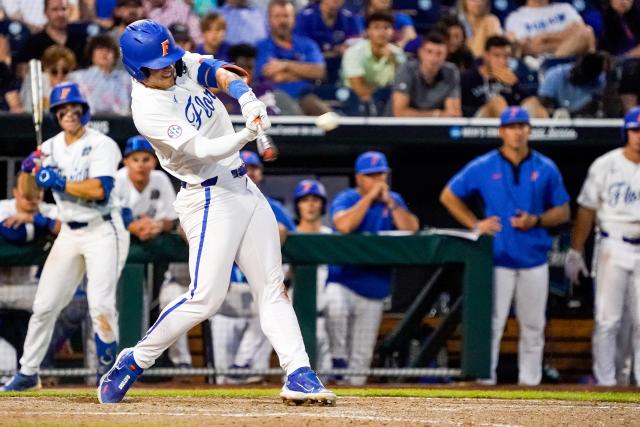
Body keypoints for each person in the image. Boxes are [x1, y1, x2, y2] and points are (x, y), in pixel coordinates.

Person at [99, 19, 335, 405]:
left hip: (243, 186)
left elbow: (214, 71)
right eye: (159, 68)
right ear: (137, 71)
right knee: (205, 298)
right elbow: (204, 151)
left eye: (171, 61)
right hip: (207, 197)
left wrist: (245, 97)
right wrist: (246, 133)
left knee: (272, 287)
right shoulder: (147, 109)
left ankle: (299, 372)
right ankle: (135, 359)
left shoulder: (171, 61)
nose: (170, 69)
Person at [1, 81, 130, 391]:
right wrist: (30, 168)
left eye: (74, 109)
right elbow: (29, 182)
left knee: (100, 304)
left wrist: (57, 181)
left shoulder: (102, 144)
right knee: (45, 304)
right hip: (69, 233)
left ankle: (107, 373)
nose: (68, 114)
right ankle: (29, 372)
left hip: (103, 229)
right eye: (62, 110)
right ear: (56, 115)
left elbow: (100, 190)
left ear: (84, 112)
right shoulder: (50, 147)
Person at [440, 106, 570, 385]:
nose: (517, 131)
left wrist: (537, 219)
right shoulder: (484, 165)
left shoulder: (545, 167)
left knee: (534, 326)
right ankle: (486, 381)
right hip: (496, 257)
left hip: (534, 256)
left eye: (522, 125)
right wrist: (475, 223)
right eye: (511, 126)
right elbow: (449, 195)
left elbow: (563, 211)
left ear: (529, 130)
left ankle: (530, 383)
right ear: (501, 131)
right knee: (493, 323)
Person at [326, 151, 419, 385]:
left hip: (375, 285)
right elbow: (344, 225)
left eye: (381, 174)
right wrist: (368, 199)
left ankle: (353, 403)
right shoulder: (347, 198)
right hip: (344, 280)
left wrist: (391, 203)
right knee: (334, 307)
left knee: (361, 359)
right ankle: (337, 359)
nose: (378, 180)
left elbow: (411, 229)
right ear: (359, 178)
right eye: (371, 175)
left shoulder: (393, 199)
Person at [564, 106, 640, 386]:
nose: (639, 136)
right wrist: (575, 249)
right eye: (635, 130)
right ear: (626, 132)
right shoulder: (605, 164)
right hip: (613, 244)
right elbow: (586, 209)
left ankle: (635, 382)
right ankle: (606, 382)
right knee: (608, 320)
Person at [209, 150, 295, 384]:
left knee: (251, 372)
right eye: (245, 166)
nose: (250, 171)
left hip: (254, 288)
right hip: (226, 292)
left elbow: (292, 236)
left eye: (255, 167)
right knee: (222, 374)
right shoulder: (215, 200)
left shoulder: (271, 207)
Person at [114, 136, 192, 370]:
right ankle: (103, 366)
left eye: (146, 159)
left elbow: (171, 218)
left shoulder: (159, 180)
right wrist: (135, 226)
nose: (140, 164)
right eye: (134, 159)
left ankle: (146, 363)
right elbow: (116, 216)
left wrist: (156, 226)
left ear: (154, 162)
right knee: (113, 308)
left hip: (153, 258)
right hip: (116, 252)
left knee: (151, 305)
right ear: (125, 162)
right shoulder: (117, 181)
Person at [0, 172, 60, 370]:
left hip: (28, 289)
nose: (33, 202)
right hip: (2, 285)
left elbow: (66, 228)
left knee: (59, 306)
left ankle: (43, 369)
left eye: (37, 196)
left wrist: (32, 218)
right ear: (15, 193)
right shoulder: (3, 207)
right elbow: (13, 233)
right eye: (27, 197)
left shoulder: (48, 209)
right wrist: (40, 226)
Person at [255, 0, 332, 116]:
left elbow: (320, 72)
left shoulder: (308, 44)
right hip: (273, 100)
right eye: (277, 16)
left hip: (307, 96)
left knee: (323, 112)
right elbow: (273, 75)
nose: (282, 21)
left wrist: (285, 65)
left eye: (286, 16)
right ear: (269, 20)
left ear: (294, 19)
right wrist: (303, 72)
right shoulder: (260, 47)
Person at [293, 179, 333, 372]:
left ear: (322, 204)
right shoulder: (289, 237)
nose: (310, 205)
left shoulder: (331, 236)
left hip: (328, 319)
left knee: (331, 373)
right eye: (305, 199)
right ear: (297, 205)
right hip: (296, 318)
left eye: (315, 200)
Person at [340, 12, 406, 115]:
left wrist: (393, 60)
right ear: (368, 31)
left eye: (386, 28)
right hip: (353, 98)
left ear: (392, 32)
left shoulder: (397, 54)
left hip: (386, 99)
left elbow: (403, 84)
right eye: (377, 27)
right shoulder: (354, 52)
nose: (382, 32)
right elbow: (359, 88)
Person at [460, 35, 543, 117]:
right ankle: (510, 127)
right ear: (486, 56)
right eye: (497, 56)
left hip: (510, 117)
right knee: (497, 101)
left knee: (534, 102)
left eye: (506, 56)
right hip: (477, 122)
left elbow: (525, 100)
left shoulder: (513, 76)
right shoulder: (468, 77)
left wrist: (515, 84)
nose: (502, 61)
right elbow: (460, 106)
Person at [391, 32, 462, 117]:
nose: (434, 58)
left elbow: (453, 114)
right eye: (429, 52)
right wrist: (436, 115)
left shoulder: (451, 71)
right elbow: (399, 112)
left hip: (436, 128)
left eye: (439, 53)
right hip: (401, 128)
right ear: (421, 52)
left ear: (446, 55)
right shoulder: (406, 69)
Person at [14, 0, 90, 78]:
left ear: (70, 11)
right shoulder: (33, 43)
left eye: (64, 9)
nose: (60, 14)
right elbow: (21, 69)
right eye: (55, 9)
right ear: (45, 13)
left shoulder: (81, 40)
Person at [294, 0, 362, 84]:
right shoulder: (304, 18)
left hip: (341, 71)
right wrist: (334, 52)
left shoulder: (349, 18)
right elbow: (301, 53)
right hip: (311, 73)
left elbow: (356, 49)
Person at [504, 0, 595, 59]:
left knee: (587, 32)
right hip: (538, 67)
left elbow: (583, 36)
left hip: (575, 64)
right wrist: (566, 38)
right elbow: (529, 48)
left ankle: (553, 63)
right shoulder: (515, 18)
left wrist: (544, 37)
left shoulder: (565, 8)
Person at [69, 34, 132, 115]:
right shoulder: (77, 77)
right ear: (91, 53)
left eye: (109, 49)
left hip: (120, 124)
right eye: (100, 48)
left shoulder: (126, 79)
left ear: (115, 55)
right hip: (89, 123)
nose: (105, 52)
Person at [536, 52, 607, 117]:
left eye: (582, 78)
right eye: (575, 73)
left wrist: (570, 114)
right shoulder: (555, 75)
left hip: (582, 120)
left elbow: (597, 108)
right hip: (553, 119)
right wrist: (555, 113)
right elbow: (542, 104)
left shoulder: (599, 81)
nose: (575, 77)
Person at [19, 45, 76, 113]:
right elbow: (28, 109)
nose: (59, 75)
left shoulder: (73, 82)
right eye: (54, 71)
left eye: (65, 71)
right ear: (46, 68)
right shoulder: (35, 81)